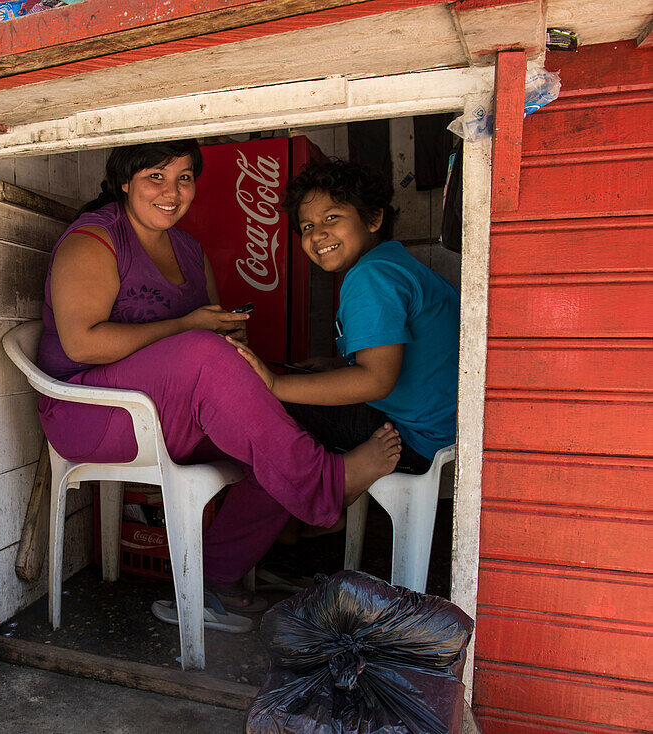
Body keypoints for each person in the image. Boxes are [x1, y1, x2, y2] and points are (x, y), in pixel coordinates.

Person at [35, 140, 401, 615]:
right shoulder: (96, 239)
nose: (172, 192)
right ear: (125, 183)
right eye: (156, 178)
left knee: (278, 423)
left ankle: (211, 581)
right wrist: (193, 329)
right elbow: (82, 343)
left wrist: (230, 335)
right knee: (209, 355)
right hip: (92, 415)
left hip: (172, 414)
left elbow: (207, 335)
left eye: (184, 178)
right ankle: (324, 483)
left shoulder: (189, 249)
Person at [231, 158, 459, 490]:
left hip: (413, 440)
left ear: (373, 218)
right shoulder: (393, 264)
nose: (318, 233)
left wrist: (274, 386)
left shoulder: (370, 276)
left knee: (263, 403)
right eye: (307, 226)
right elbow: (398, 360)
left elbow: (376, 380)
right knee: (297, 386)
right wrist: (336, 365)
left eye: (332, 218)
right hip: (444, 431)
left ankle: (337, 490)